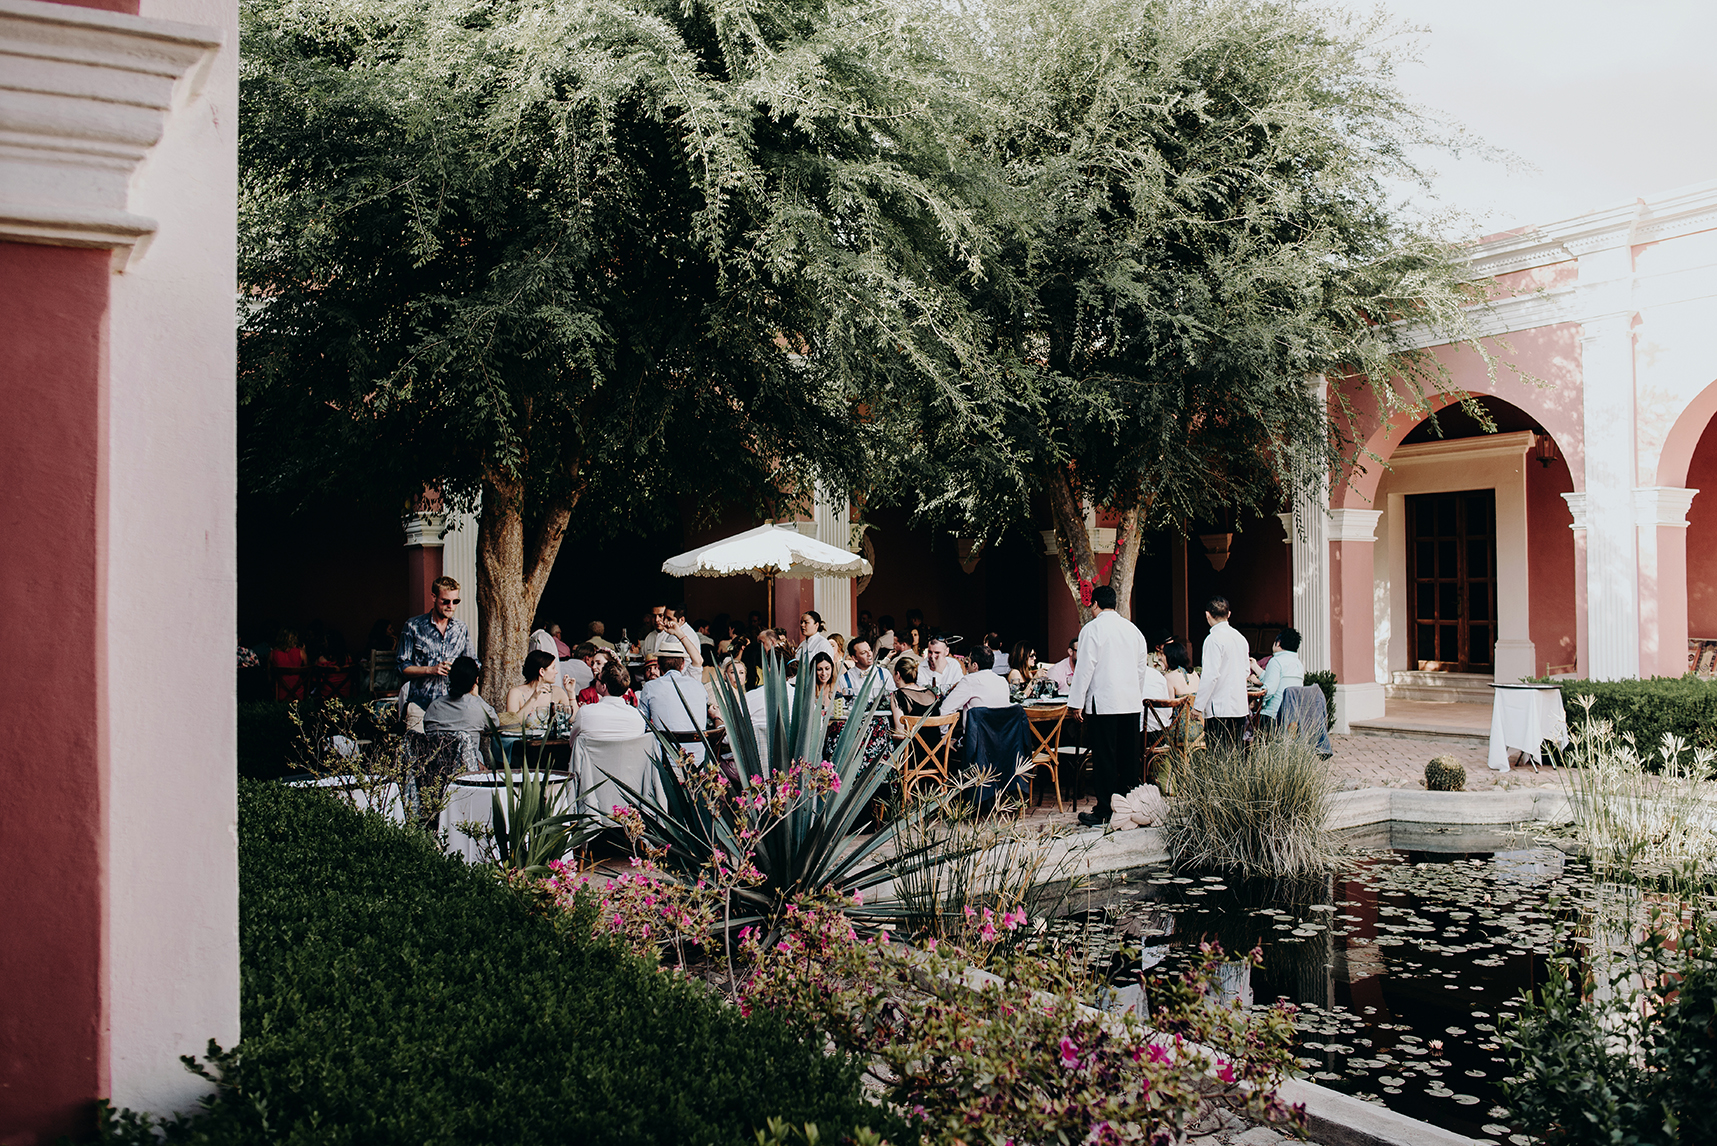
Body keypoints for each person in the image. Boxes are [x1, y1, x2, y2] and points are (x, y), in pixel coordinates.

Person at [1067, 584, 1152, 827]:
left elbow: (1084, 668)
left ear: (1094, 604)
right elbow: (1140, 668)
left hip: (1103, 703)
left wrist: (1076, 703)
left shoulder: (1092, 629)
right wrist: (1135, 693)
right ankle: (1129, 805)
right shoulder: (1133, 630)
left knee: (1105, 757)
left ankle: (1105, 809)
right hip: (1129, 701)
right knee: (1128, 756)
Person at [397, 576, 479, 731]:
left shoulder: (461, 628)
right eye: (445, 601)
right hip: (421, 705)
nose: (451, 606)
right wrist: (430, 669)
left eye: (455, 602)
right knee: (419, 754)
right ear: (433, 597)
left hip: (454, 706)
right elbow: (402, 667)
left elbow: (474, 663)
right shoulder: (413, 626)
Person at [638, 637, 710, 762]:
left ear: (658, 665)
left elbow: (641, 724)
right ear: (682, 665)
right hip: (699, 762)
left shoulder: (650, 687)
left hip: (665, 762)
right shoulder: (699, 686)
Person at [1196, 597, 1252, 747]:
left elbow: (1210, 676)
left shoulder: (1213, 639)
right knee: (1236, 753)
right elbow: (1247, 671)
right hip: (1239, 706)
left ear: (1207, 615)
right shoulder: (1241, 638)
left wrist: (1198, 707)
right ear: (1229, 614)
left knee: (1217, 755)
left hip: (1219, 708)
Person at [572, 659, 647, 741]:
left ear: (604, 687)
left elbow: (573, 743)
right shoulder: (639, 717)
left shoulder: (585, 713)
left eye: (597, 678)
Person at [503, 648, 572, 735]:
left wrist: (571, 692)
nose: (556, 672)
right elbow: (511, 725)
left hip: (554, 744)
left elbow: (571, 719)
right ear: (542, 671)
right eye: (553, 668)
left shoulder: (558, 692)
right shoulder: (516, 693)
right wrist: (533, 698)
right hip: (526, 745)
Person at [422, 656, 496, 733]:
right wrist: (477, 697)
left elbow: (427, 728)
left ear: (450, 678)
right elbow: (495, 724)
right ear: (476, 680)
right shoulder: (480, 709)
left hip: (439, 745)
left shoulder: (434, 707)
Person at [938, 646, 1010, 713]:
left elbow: (945, 708)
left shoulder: (969, 680)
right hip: (1000, 726)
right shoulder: (1003, 681)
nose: (967, 665)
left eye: (968, 662)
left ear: (974, 665)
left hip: (977, 726)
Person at [1257, 627, 1306, 724]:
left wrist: (1258, 701)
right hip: (1291, 717)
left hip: (1272, 716)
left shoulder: (1275, 661)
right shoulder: (1298, 664)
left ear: (1278, 643)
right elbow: (1277, 680)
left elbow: (1269, 691)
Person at [889, 653, 938, 734]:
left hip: (912, 746)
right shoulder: (931, 693)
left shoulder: (898, 695)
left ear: (898, 675)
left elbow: (900, 733)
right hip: (936, 745)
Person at [269, 627, 307, 700]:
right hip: (298, 694)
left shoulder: (272, 654)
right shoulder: (301, 653)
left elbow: (269, 679)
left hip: (279, 694)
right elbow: (308, 671)